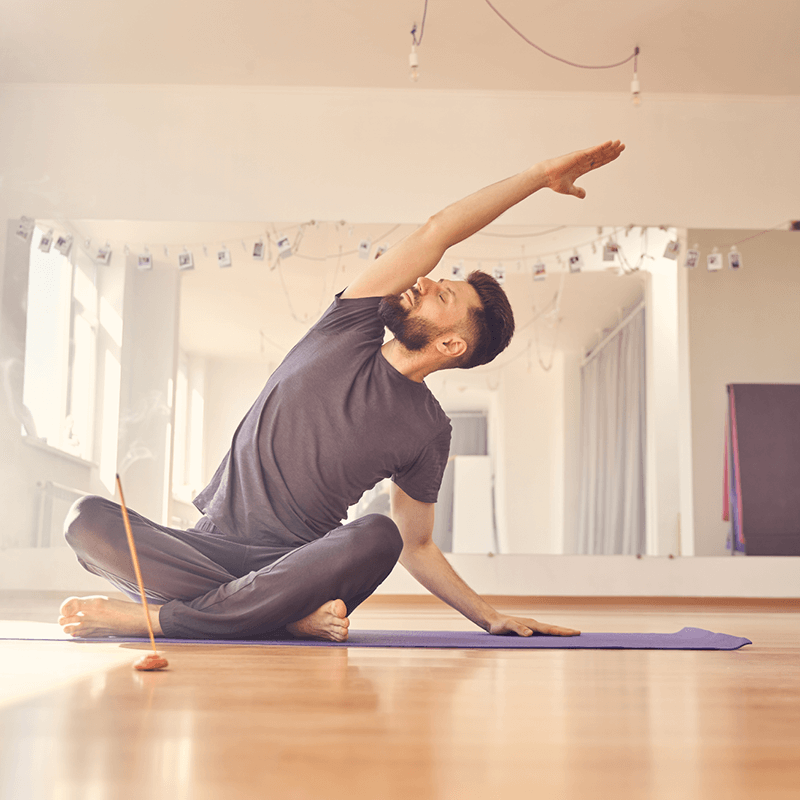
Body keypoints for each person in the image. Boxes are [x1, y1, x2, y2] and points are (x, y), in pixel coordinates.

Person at [59, 140, 625, 642]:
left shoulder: (429, 430)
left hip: (298, 565)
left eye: (442, 297)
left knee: (379, 535)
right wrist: (536, 176)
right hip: (207, 546)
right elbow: (436, 231)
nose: (425, 281)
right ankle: (275, 619)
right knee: (86, 519)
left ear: (452, 346)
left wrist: (487, 616)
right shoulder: (351, 324)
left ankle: (161, 620)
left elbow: (417, 544)